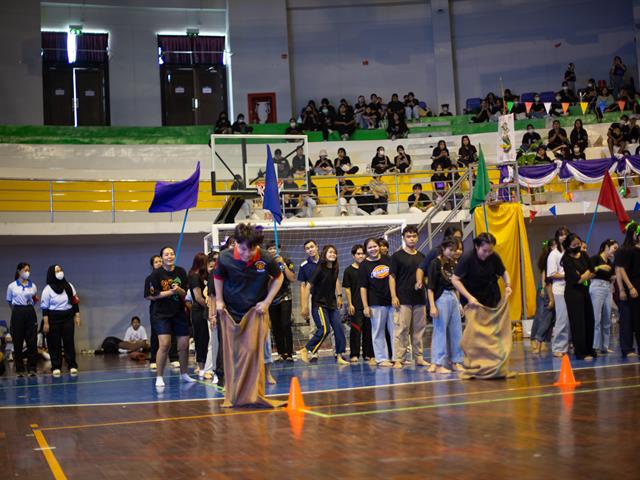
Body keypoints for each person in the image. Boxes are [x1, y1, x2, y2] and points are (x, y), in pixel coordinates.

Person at [213, 223, 285, 408]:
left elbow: (279, 278)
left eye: (251, 249)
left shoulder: (266, 258)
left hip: (255, 311)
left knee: (252, 353)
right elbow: (218, 278)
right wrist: (219, 301)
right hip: (230, 311)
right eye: (243, 248)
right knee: (231, 354)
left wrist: (267, 302)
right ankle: (234, 395)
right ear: (236, 243)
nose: (247, 254)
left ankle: (253, 395)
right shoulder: (224, 257)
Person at [451, 233, 513, 379]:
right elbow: (455, 279)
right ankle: (476, 366)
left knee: (493, 333)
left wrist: (508, 285)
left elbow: (503, 272)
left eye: (490, 250)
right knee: (475, 334)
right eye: (484, 250)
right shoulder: (467, 258)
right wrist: (469, 297)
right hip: (473, 301)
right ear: (477, 246)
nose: (487, 254)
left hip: (491, 297)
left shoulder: (494, 257)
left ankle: (494, 365)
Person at [147, 247, 193, 388]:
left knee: (184, 344)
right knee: (165, 344)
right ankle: (159, 376)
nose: (169, 256)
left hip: (178, 313)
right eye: (166, 254)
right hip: (161, 315)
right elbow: (150, 296)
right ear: (162, 258)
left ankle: (184, 373)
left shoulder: (181, 272)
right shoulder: (155, 275)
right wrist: (169, 292)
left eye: (172, 254)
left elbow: (185, 293)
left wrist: (178, 290)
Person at [297, 245, 348, 364]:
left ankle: (339, 355)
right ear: (324, 254)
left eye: (334, 252)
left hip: (332, 304)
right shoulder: (320, 267)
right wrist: (304, 306)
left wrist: (339, 296)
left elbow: (335, 282)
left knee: (339, 329)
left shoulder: (335, 268)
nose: (333, 254)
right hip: (319, 304)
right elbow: (308, 286)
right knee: (325, 329)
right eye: (330, 252)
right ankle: (306, 349)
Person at [390, 226, 429, 369]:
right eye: (408, 236)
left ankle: (419, 357)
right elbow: (392, 277)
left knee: (419, 330)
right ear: (404, 238)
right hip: (403, 299)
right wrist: (394, 296)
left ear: (417, 237)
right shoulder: (397, 256)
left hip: (419, 299)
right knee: (401, 330)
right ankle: (399, 359)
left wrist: (423, 284)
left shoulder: (422, 257)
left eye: (414, 236)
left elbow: (425, 278)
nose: (411, 238)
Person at [427, 237, 464, 373]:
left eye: (454, 250)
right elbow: (430, 287)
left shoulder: (454, 264)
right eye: (450, 250)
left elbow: (456, 285)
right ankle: (438, 363)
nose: (452, 252)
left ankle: (456, 360)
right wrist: (432, 305)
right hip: (440, 298)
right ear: (443, 249)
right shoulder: (435, 263)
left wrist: (459, 303)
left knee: (456, 331)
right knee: (440, 331)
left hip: (453, 297)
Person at [561, 233, 596, 360]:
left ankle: (589, 349)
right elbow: (576, 280)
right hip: (573, 294)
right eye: (574, 245)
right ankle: (581, 352)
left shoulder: (584, 255)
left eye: (578, 244)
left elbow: (593, 271)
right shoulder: (566, 259)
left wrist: (583, 274)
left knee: (589, 320)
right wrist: (585, 273)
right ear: (568, 246)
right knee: (578, 323)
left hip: (585, 291)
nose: (577, 246)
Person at [360, 238, 394, 367]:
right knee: (378, 331)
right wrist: (365, 306)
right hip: (375, 303)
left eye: (375, 246)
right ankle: (381, 358)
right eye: (370, 248)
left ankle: (397, 357)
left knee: (395, 331)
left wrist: (395, 296)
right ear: (366, 250)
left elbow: (394, 279)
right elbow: (363, 287)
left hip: (391, 301)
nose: (373, 249)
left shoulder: (388, 260)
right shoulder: (364, 265)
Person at [41, 264, 80, 377]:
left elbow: (75, 302)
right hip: (53, 318)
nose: (60, 272)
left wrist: (77, 316)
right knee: (55, 343)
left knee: (69, 341)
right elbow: (45, 308)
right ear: (52, 274)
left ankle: (72, 365)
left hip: (67, 317)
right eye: (57, 271)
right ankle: (56, 366)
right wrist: (46, 323)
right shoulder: (47, 289)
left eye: (60, 270)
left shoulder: (69, 286)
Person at [6, 262, 38, 377]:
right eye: (25, 270)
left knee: (32, 342)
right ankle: (19, 369)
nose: (27, 272)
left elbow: (34, 300)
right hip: (17, 312)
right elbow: (9, 301)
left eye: (29, 270)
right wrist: (17, 312)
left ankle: (32, 368)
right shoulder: (11, 286)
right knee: (18, 342)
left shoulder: (33, 285)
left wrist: (28, 307)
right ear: (19, 271)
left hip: (30, 312)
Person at [343, 245, 374, 363]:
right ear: (353, 256)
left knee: (368, 330)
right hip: (356, 305)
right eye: (358, 254)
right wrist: (350, 304)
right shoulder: (348, 270)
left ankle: (368, 354)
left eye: (362, 253)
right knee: (356, 330)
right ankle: (354, 354)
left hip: (369, 305)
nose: (361, 256)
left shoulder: (368, 268)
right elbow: (347, 289)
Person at [266, 242, 295, 362]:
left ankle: (289, 353)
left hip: (285, 297)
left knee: (285, 324)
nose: (273, 250)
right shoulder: (266, 263)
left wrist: (282, 263)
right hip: (272, 298)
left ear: (279, 249)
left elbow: (292, 278)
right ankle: (280, 352)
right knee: (276, 326)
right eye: (270, 249)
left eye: (275, 248)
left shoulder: (286, 261)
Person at [614, 222, 640, 358]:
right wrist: (623, 289)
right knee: (627, 320)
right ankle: (627, 348)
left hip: (636, 287)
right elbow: (619, 270)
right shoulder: (624, 250)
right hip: (628, 289)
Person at [589, 239, 618, 355]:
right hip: (597, 287)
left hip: (608, 289)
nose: (615, 251)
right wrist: (599, 267)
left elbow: (610, 276)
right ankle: (595, 347)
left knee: (607, 319)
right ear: (607, 246)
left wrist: (613, 278)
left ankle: (604, 346)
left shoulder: (610, 262)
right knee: (597, 319)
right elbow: (589, 271)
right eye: (614, 248)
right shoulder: (595, 258)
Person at [530, 239, 556, 353]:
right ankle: (535, 339)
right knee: (541, 315)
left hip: (552, 286)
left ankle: (544, 341)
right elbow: (544, 273)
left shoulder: (556, 256)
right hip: (545, 286)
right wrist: (542, 288)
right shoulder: (548, 258)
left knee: (550, 317)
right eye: (554, 246)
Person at [548, 227, 570, 357]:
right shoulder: (554, 254)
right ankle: (557, 347)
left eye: (566, 234)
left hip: (571, 289)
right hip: (560, 289)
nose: (563, 237)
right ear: (557, 237)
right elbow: (551, 274)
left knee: (569, 320)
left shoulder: (569, 252)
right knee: (562, 319)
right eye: (561, 235)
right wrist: (567, 276)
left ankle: (566, 346)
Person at [188, 252, 210, 377]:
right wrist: (209, 306)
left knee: (207, 339)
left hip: (205, 309)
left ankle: (206, 365)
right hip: (199, 311)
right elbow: (198, 297)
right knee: (201, 338)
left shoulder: (203, 276)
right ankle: (201, 366)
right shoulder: (194, 276)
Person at [298, 239, 320, 342]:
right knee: (313, 326)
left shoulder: (326, 262)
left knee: (333, 326)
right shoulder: (304, 265)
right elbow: (303, 286)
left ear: (317, 247)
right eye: (307, 248)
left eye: (312, 247)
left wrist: (339, 296)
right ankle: (312, 352)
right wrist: (304, 306)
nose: (310, 250)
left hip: (328, 296)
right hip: (313, 297)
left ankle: (336, 351)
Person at [144, 255, 162, 370]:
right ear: (152, 265)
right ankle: (154, 359)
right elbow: (147, 295)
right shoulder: (149, 278)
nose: (159, 263)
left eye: (160, 261)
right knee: (155, 334)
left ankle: (174, 358)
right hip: (156, 309)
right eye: (156, 262)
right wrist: (159, 297)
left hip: (170, 308)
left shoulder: (168, 276)